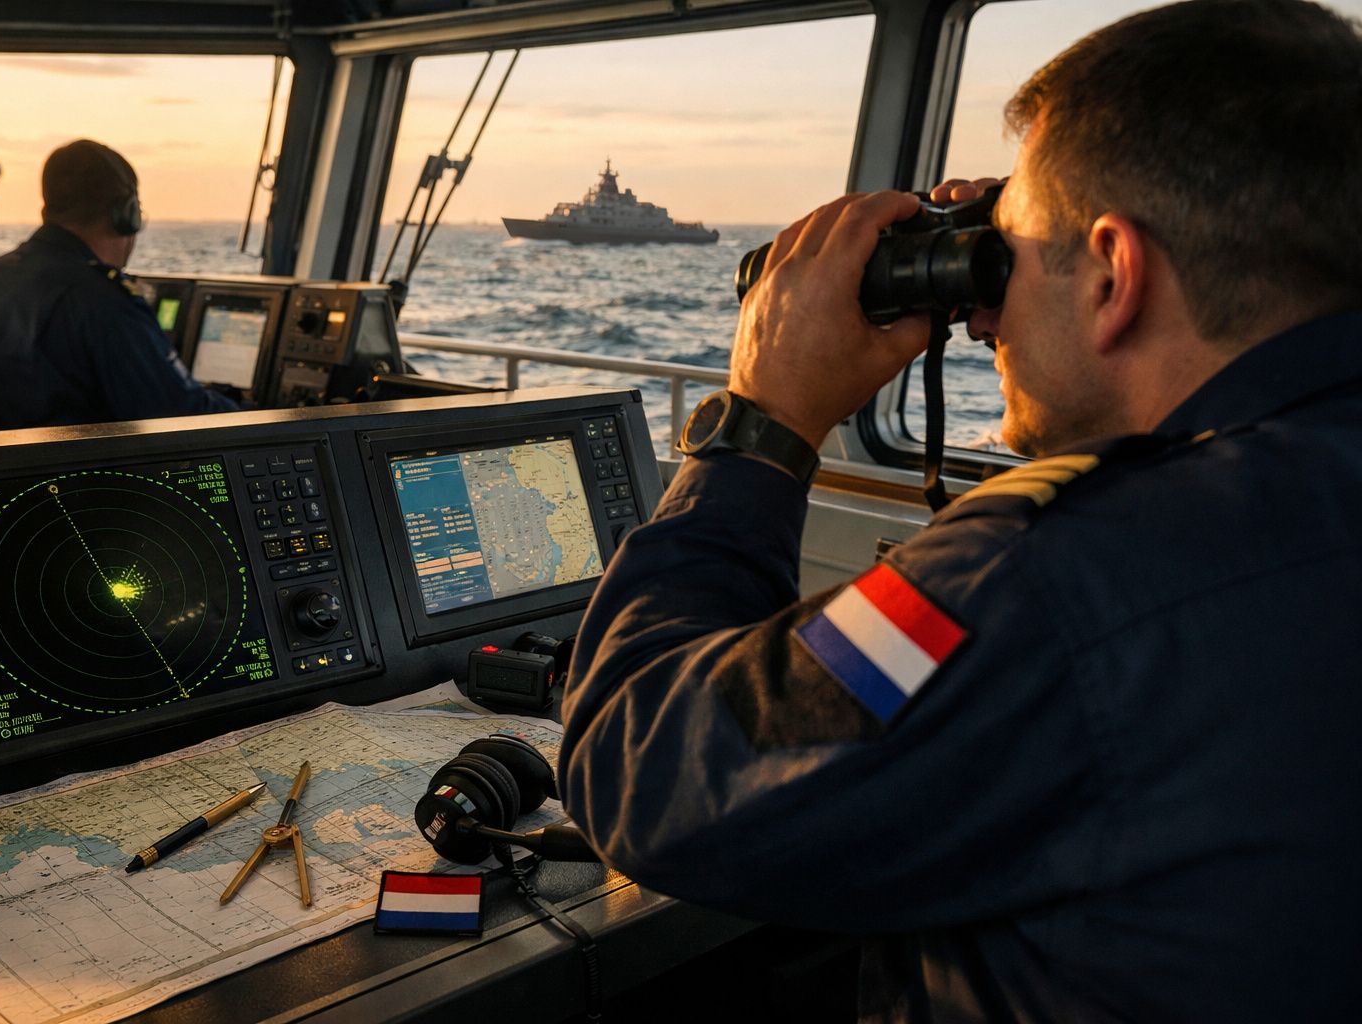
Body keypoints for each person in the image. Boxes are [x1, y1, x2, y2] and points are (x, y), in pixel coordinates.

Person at [558, 1, 1362, 1020]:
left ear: (1116, 273)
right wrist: (1044, 241)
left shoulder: (1042, 578)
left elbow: (644, 765)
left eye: (1004, 258)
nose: (984, 313)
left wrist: (761, 420)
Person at [0, 139, 241, 429]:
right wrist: (266, 413)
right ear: (126, 215)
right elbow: (179, 413)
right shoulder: (99, 301)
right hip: (71, 483)